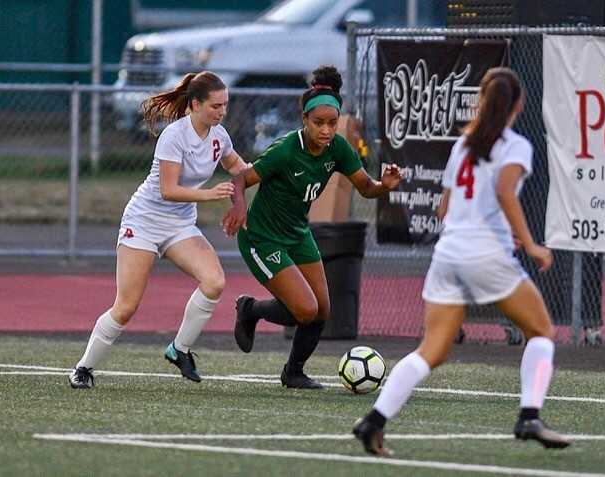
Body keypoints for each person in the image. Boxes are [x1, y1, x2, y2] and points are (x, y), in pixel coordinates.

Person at [352, 67, 571, 454]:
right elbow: (505, 191)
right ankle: (529, 416)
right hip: (484, 253)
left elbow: (443, 210)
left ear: (481, 101)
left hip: (450, 252)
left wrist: (502, 229)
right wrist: (532, 244)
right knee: (541, 332)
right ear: (519, 103)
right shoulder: (515, 145)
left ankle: (373, 421)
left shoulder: (463, 145)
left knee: (431, 350)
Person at [222, 65, 402, 389]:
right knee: (304, 309)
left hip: (296, 234)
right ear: (304, 120)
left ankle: (294, 372)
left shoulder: (338, 149)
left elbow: (365, 187)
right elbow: (240, 178)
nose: (326, 130)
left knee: (322, 310)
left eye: (332, 123)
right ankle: (249, 309)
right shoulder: (286, 150)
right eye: (318, 123)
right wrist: (238, 205)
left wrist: (384, 185)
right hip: (262, 238)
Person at [68, 71, 249, 389]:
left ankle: (179, 349)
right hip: (144, 222)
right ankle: (83, 368)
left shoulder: (220, 136)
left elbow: (240, 169)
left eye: (225, 105)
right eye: (216, 106)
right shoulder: (174, 135)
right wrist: (209, 195)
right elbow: (168, 190)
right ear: (195, 104)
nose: (222, 112)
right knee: (126, 307)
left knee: (214, 282)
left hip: (179, 225)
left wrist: (278, 168)